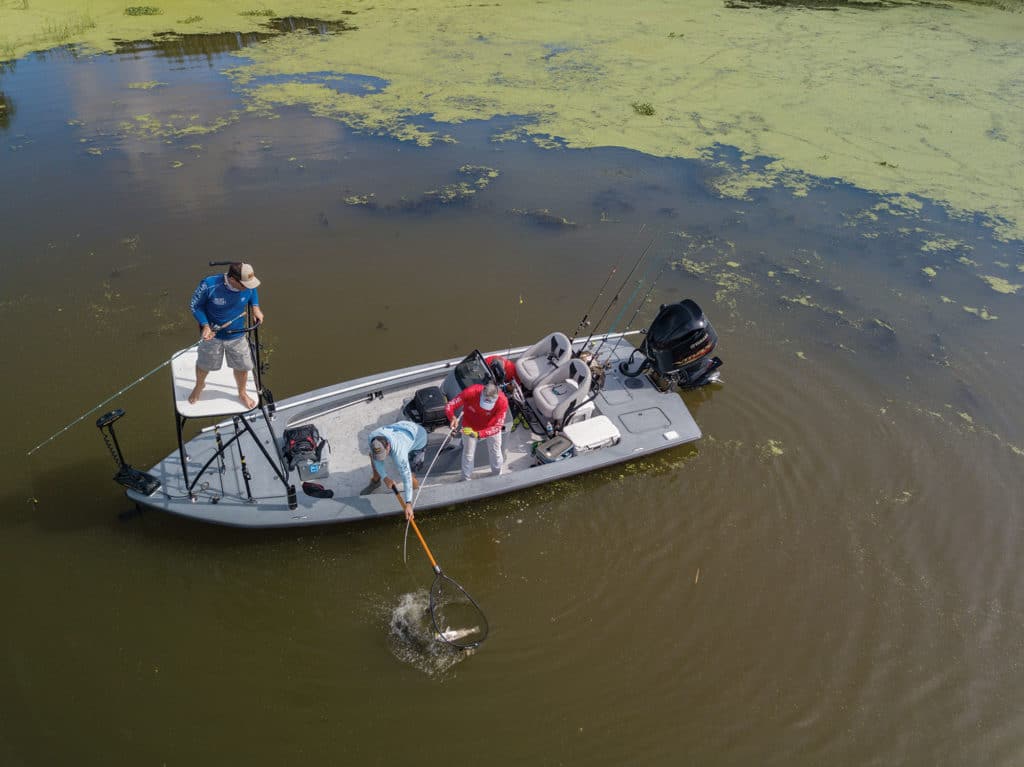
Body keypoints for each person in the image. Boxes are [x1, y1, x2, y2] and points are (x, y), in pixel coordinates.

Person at [188, 262, 265, 410]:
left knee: (243, 366)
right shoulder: (209, 285)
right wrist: (205, 325)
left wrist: (255, 307)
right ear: (232, 279)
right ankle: (199, 385)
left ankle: (242, 393)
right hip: (213, 335)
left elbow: (252, 289)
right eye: (244, 285)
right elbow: (195, 305)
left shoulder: (248, 285)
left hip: (237, 335)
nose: (248, 287)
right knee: (204, 364)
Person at [445, 382, 508, 482]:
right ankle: (466, 479)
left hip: (491, 427)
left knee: (495, 452)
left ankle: (497, 475)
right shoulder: (470, 392)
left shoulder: (503, 401)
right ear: (482, 393)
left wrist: (478, 434)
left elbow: (497, 426)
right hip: (470, 427)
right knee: (468, 454)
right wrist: (452, 417)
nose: (484, 407)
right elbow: (450, 405)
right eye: (484, 402)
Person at [367, 420, 427, 521]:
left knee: (411, 475)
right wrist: (385, 478)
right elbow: (377, 460)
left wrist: (408, 503)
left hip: (419, 438)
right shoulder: (372, 437)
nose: (382, 459)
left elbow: (406, 477)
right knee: (373, 457)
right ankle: (376, 481)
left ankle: (415, 491)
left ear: (388, 446)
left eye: (383, 455)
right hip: (403, 428)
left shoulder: (399, 454)